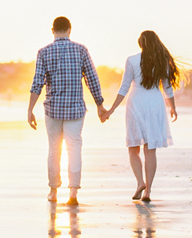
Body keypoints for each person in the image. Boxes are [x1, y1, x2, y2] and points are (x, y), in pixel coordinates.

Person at [28, 16, 106, 205]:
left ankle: (53, 191)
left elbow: (37, 83)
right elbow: (92, 79)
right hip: (75, 109)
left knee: (54, 149)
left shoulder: (43, 52)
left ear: (52, 30)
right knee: (74, 147)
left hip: (53, 109)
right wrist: (100, 104)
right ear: (69, 30)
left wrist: (30, 109)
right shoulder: (81, 50)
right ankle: (73, 193)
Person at [102, 30, 181, 202]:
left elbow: (124, 87)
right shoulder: (162, 61)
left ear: (140, 43)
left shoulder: (132, 60)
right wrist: (173, 108)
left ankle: (140, 182)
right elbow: (167, 88)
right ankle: (148, 192)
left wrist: (111, 109)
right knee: (150, 149)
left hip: (136, 103)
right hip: (155, 103)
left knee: (133, 148)